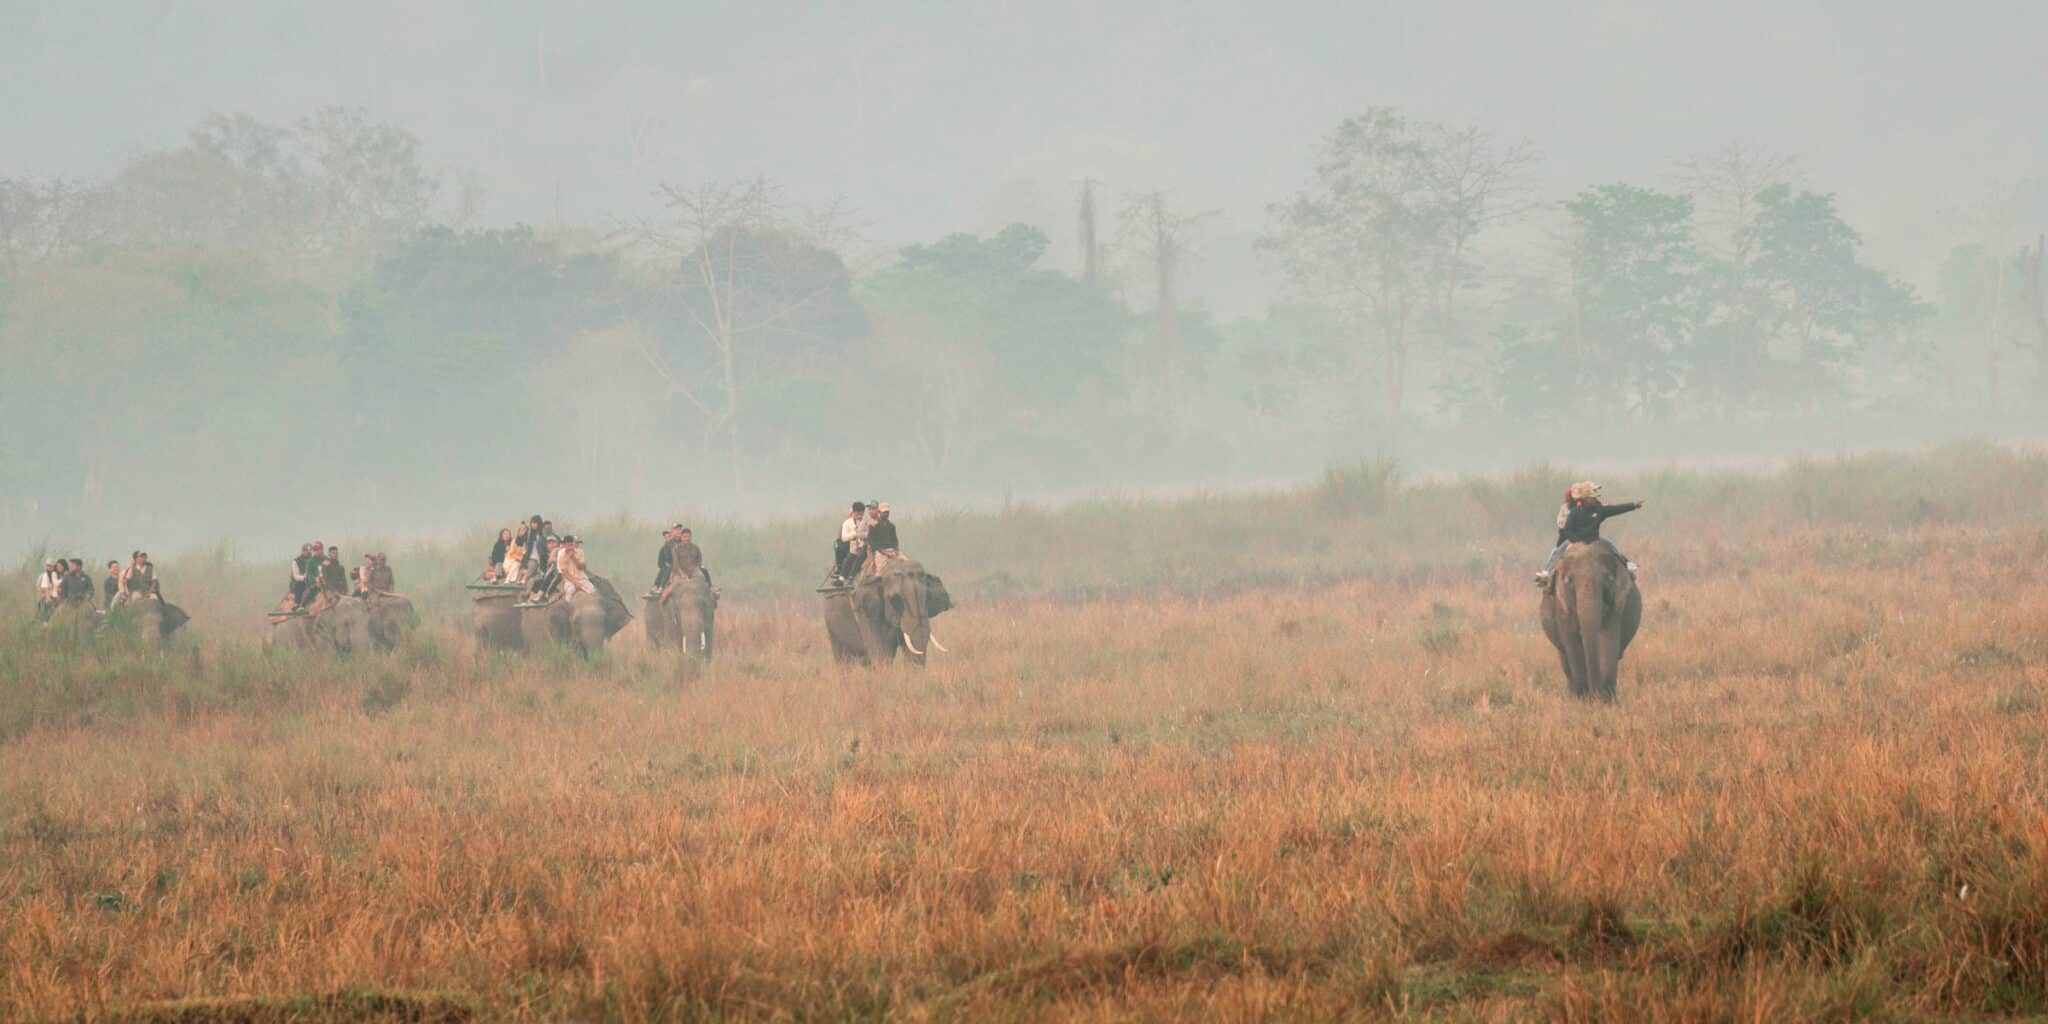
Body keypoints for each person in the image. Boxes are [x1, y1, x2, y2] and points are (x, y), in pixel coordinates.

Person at [1535, 481, 1645, 586]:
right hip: (1576, 540)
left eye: (1595, 497)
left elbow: (1616, 509)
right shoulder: (1575, 512)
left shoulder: (1599, 509)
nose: (1595, 499)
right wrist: (1576, 541)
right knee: (1558, 551)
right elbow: (1567, 530)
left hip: (1594, 539)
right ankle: (1546, 572)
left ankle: (1626, 565)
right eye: (1592, 497)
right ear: (1585, 498)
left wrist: (1633, 505)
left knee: (1612, 547)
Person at [832, 502, 867, 583]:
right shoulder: (847, 523)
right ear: (854, 513)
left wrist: (862, 535)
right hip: (850, 545)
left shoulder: (864, 522)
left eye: (862, 514)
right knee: (850, 553)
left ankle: (846, 577)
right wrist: (855, 534)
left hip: (862, 545)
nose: (860, 516)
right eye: (858, 514)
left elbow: (867, 533)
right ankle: (843, 575)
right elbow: (844, 538)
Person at [554, 534, 596, 600]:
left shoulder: (580, 552)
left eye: (572, 545)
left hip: (582, 578)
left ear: (574, 544)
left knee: (593, 591)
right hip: (569, 580)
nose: (571, 547)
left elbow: (582, 567)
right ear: (564, 545)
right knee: (569, 593)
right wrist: (576, 583)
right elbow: (564, 572)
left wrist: (573, 558)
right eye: (568, 545)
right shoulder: (561, 554)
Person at [862, 503, 900, 576]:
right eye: (884, 512)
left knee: (905, 564)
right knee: (881, 571)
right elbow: (872, 542)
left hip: (892, 551)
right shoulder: (873, 525)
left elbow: (895, 539)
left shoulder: (891, 525)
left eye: (887, 512)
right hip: (880, 551)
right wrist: (884, 552)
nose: (886, 514)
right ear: (879, 512)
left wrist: (896, 550)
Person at [288, 543, 317, 608]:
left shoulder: (314, 560)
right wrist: (304, 577)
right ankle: (297, 603)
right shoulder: (296, 561)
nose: (308, 552)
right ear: (303, 551)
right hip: (300, 582)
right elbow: (295, 576)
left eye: (310, 551)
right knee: (299, 585)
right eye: (306, 550)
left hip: (311, 581)